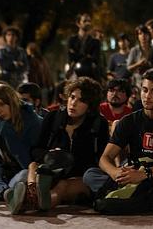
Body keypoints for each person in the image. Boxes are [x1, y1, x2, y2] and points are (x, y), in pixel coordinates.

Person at [82, 68, 153, 214]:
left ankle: (130, 196)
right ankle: (143, 199)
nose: (147, 96)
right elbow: (105, 158)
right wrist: (116, 173)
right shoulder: (129, 121)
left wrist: (144, 174)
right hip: (131, 172)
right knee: (90, 174)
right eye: (144, 90)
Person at [6, 77, 109, 214]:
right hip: (50, 172)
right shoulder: (53, 117)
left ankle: (28, 201)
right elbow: (36, 150)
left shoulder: (98, 124)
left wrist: (68, 159)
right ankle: (32, 194)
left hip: (79, 176)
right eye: (72, 97)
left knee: (61, 186)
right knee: (32, 166)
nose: (73, 103)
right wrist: (51, 156)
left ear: (90, 106)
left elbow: (101, 158)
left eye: (81, 100)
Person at [66, 13, 102, 81]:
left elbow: (95, 59)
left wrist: (77, 56)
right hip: (75, 73)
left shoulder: (95, 42)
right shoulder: (72, 40)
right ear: (78, 23)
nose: (88, 23)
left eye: (89, 21)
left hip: (90, 74)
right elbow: (70, 57)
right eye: (85, 21)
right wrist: (87, 56)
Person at [25, 42, 54, 107]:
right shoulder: (42, 59)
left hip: (37, 85)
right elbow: (47, 73)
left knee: (38, 104)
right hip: (43, 85)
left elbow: (34, 74)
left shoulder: (32, 60)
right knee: (43, 104)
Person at [127, 25, 152, 89]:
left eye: (145, 33)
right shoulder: (134, 50)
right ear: (137, 36)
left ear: (149, 35)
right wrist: (138, 64)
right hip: (138, 82)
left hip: (152, 80)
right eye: (140, 33)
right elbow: (128, 67)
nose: (143, 35)